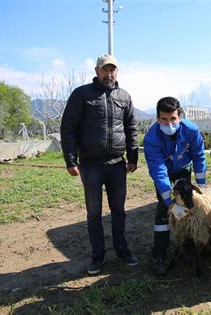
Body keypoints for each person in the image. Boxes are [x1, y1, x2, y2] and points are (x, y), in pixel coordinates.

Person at [60, 54, 139, 275]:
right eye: (105, 69)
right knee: (94, 213)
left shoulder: (124, 96)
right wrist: (70, 160)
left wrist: (133, 158)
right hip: (91, 165)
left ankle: (122, 250)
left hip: (117, 165)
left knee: (119, 211)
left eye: (113, 69)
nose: (109, 73)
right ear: (97, 71)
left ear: (117, 72)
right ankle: (98, 256)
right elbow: (68, 128)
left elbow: (131, 129)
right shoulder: (82, 94)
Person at [143, 96, 207, 276]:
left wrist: (202, 185)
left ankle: (187, 246)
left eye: (172, 119)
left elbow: (199, 156)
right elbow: (158, 170)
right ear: (158, 119)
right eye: (164, 119)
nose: (169, 123)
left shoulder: (191, 130)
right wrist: (169, 199)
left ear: (179, 116)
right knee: (164, 210)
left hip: (182, 170)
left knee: (188, 206)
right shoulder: (151, 138)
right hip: (164, 173)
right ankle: (159, 254)